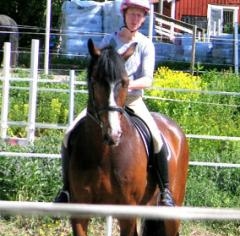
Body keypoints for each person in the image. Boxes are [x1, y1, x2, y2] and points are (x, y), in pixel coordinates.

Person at [54, 0, 175, 206]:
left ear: (144, 18)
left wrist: (125, 86)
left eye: (139, 16)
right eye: (132, 14)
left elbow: (148, 79)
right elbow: (98, 67)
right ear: (124, 14)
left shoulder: (146, 45)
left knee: (157, 138)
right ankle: (66, 190)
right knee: (68, 134)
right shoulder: (110, 40)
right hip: (104, 103)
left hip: (132, 100)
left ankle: (165, 191)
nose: (135, 19)